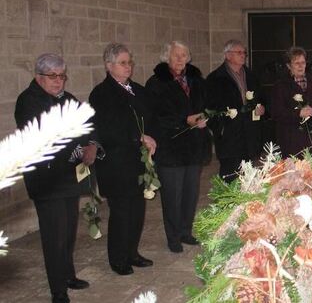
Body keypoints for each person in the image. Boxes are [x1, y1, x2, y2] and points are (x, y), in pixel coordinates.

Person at [15, 53, 97, 303]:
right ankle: (57, 289)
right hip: (47, 179)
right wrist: (76, 149)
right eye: (53, 76)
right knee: (54, 234)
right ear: (38, 77)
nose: (58, 81)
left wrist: (91, 143)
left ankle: (68, 275)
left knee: (69, 230)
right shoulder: (28, 101)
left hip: (68, 176)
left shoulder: (66, 99)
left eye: (62, 76)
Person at [89, 43, 157, 276]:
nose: (128, 66)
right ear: (109, 66)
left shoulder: (137, 89)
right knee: (121, 211)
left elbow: (149, 118)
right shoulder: (101, 93)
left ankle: (132, 252)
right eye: (123, 63)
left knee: (137, 209)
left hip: (138, 161)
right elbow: (108, 129)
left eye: (130, 62)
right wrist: (138, 137)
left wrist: (151, 137)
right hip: (116, 162)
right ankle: (118, 258)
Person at [145, 41, 211, 253]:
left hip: (193, 147)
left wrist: (205, 117)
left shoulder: (196, 80)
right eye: (176, 55)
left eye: (184, 55)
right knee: (172, 196)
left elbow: (205, 105)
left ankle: (185, 231)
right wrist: (185, 120)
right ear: (167, 57)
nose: (181, 59)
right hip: (170, 148)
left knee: (190, 194)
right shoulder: (156, 83)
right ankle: (173, 237)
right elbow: (155, 117)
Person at [206, 39, 266, 182]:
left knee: (248, 177)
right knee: (230, 177)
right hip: (229, 137)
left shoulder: (251, 76)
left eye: (244, 52)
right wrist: (221, 129)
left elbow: (261, 98)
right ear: (227, 55)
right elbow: (209, 109)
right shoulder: (215, 79)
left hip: (249, 134)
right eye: (239, 52)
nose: (243, 55)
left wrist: (261, 108)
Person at [271, 46, 312, 157]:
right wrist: (299, 113)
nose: (301, 66)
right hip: (291, 140)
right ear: (289, 65)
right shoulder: (281, 85)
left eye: (303, 62)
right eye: (296, 63)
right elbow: (276, 113)